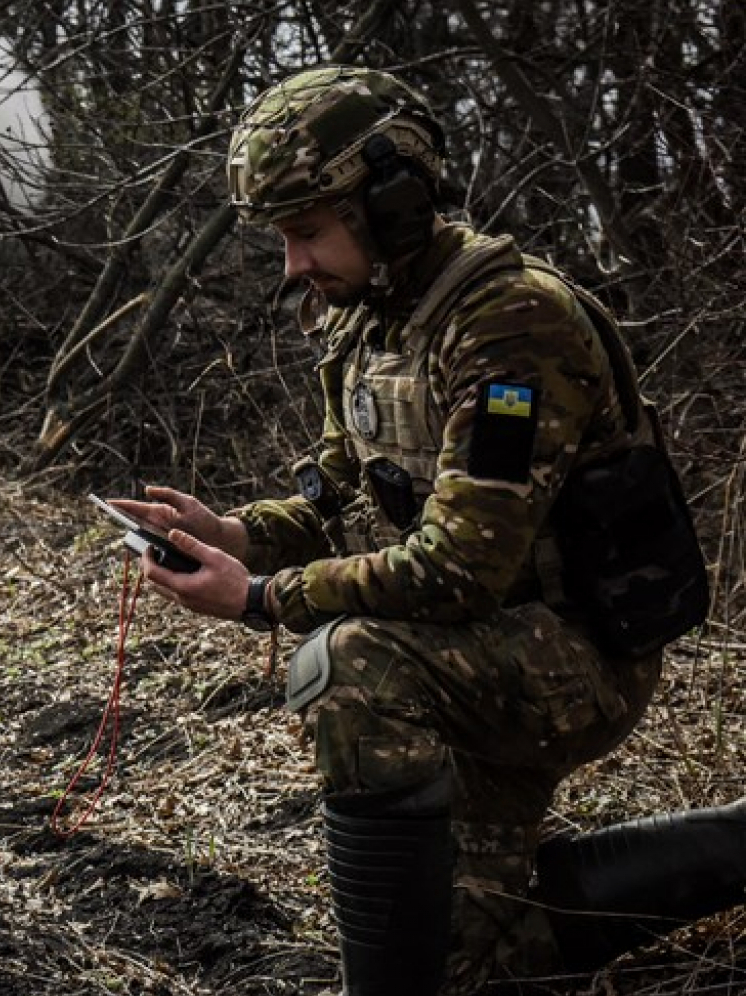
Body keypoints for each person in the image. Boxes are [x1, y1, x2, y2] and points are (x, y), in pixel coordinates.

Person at [110, 66, 743, 995]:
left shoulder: (509, 322)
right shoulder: (369, 321)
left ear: (392, 202)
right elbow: (336, 493)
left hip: (572, 656)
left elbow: (459, 568)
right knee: (470, 963)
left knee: (347, 662)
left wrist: (258, 601)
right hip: (480, 652)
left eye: (307, 233)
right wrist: (239, 533)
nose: (295, 265)